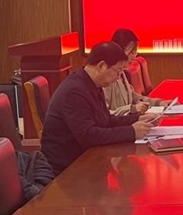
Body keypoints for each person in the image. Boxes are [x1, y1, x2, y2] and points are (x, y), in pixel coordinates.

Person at [41, 42, 156, 175]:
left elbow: (106, 120)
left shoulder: (92, 84)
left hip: (87, 160)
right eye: (118, 71)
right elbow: (88, 136)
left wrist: (137, 118)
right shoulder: (74, 91)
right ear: (102, 66)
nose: (118, 77)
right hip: (68, 169)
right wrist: (132, 131)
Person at [104, 29, 164, 115]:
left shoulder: (121, 71)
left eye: (135, 51)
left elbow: (132, 96)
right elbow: (105, 114)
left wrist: (158, 103)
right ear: (119, 50)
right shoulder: (106, 77)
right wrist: (132, 109)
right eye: (132, 52)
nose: (134, 56)